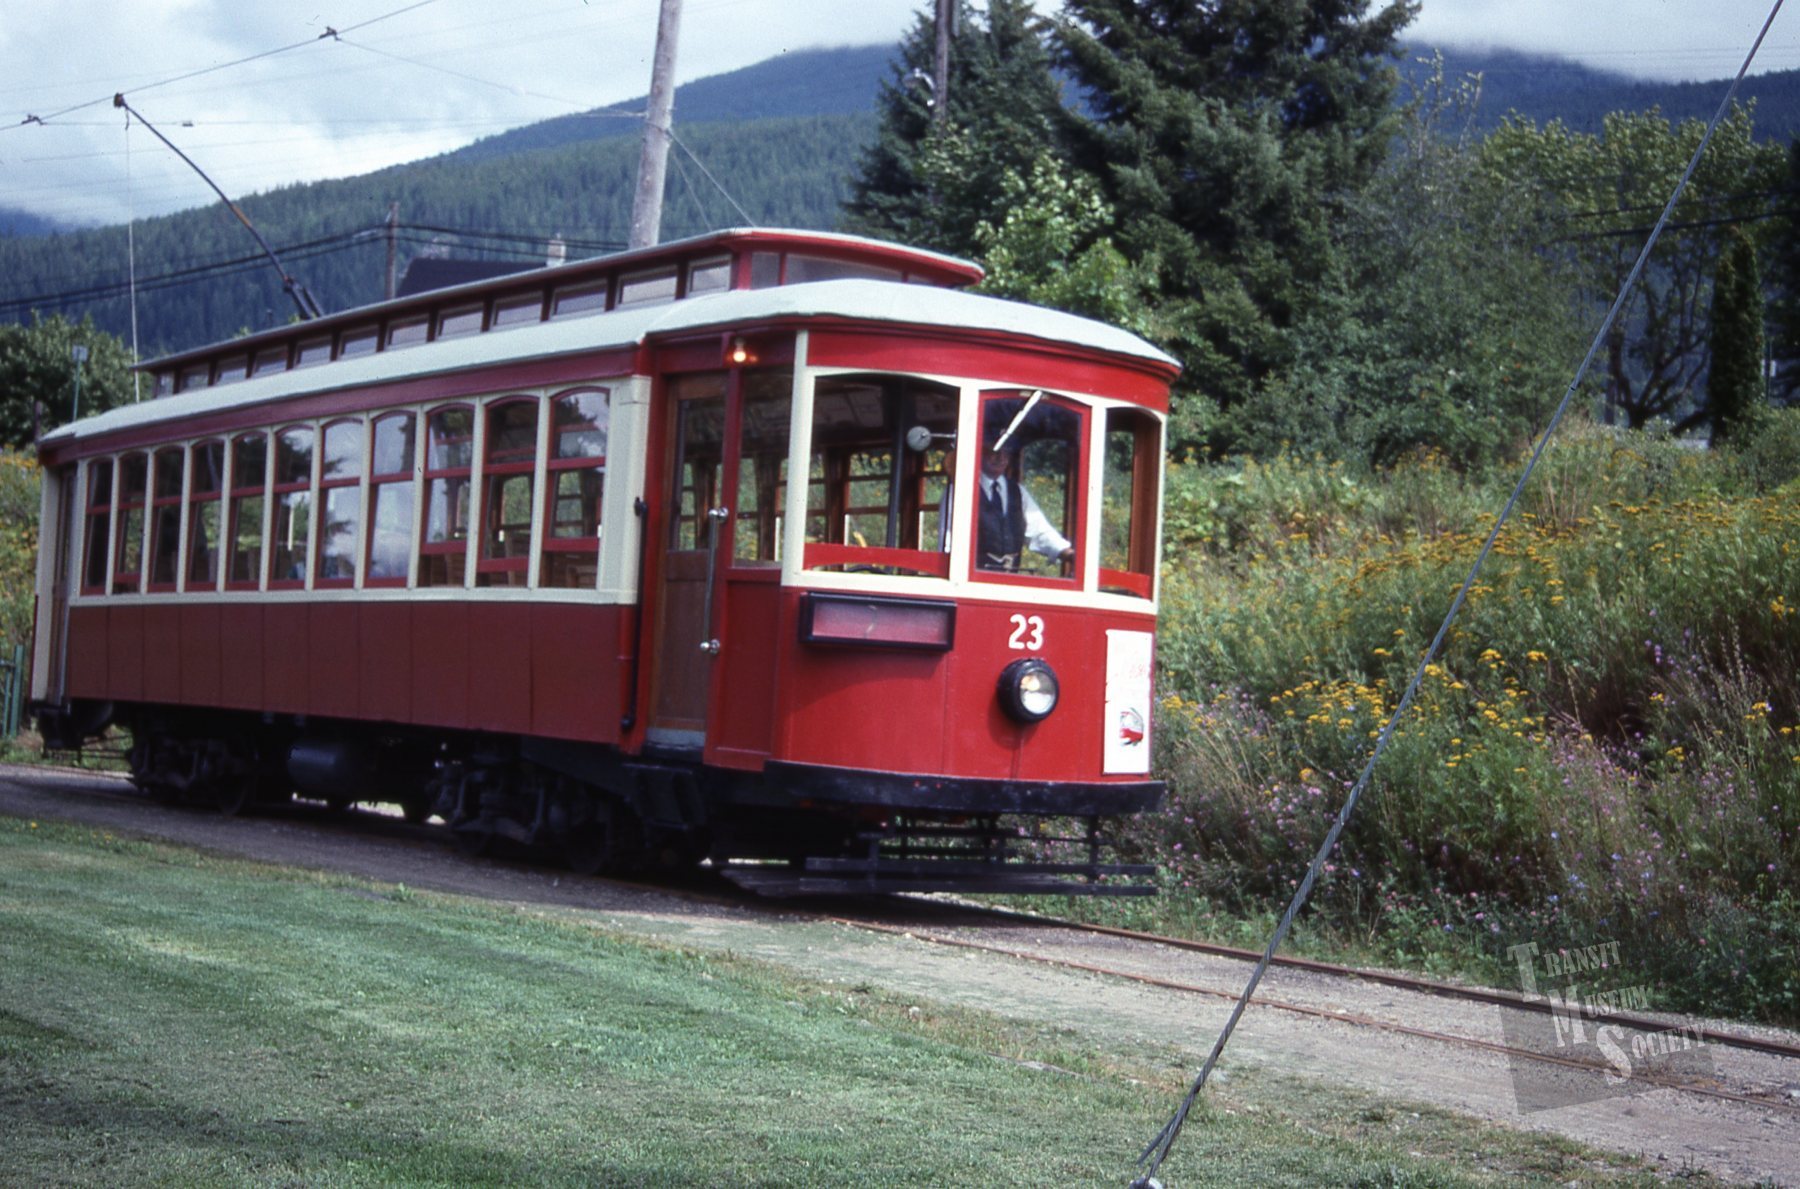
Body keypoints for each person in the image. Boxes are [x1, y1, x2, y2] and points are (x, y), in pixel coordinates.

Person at [975, 444, 1073, 572]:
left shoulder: (1017, 491)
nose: (1001, 458)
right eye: (994, 451)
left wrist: (1068, 553)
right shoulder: (964, 488)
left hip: (1009, 578)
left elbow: (1038, 530)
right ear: (980, 452)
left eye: (1006, 452)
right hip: (972, 578)